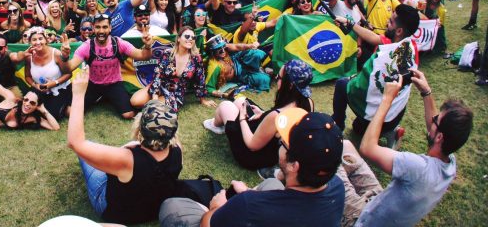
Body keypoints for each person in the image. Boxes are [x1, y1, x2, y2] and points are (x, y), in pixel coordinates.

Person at [161, 109, 344, 227]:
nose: (280, 143)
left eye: (284, 143)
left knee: (172, 207)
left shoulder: (248, 205)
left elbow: (207, 224)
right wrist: (249, 192)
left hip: (237, 214)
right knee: (271, 183)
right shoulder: (337, 187)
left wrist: (218, 207)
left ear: (294, 166)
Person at [338, 69, 472, 227]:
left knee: (327, 158)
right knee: (345, 145)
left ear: (439, 137)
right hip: (377, 203)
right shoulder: (450, 165)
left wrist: (387, 99)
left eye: (436, 119)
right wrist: (426, 92)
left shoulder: (417, 167)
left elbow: (367, 148)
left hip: (362, 221)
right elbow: (434, 127)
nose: (433, 118)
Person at [68, 68, 182, 225]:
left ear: (140, 127)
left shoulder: (126, 159)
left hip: (118, 213)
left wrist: (79, 94)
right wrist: (134, 146)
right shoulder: (177, 150)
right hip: (153, 209)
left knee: (86, 151)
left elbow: (75, 142)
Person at [203, 60, 314, 172]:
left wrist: (242, 118)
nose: (276, 79)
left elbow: (252, 145)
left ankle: (216, 125)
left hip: (253, 156)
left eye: (279, 78)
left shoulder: (276, 116)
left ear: (289, 85)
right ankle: (221, 123)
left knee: (226, 106)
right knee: (241, 100)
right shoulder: (308, 102)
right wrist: (263, 113)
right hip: (272, 147)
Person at [333, 4, 421, 138]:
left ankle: (337, 126)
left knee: (341, 85)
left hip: (380, 119)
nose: (387, 22)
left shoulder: (381, 59)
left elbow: (358, 87)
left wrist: (351, 79)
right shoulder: (411, 46)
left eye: (390, 22)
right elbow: (375, 38)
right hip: (395, 114)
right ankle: (392, 131)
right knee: (358, 125)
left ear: (399, 31)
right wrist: (350, 23)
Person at [59, 14, 153, 119]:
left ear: (110, 28)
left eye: (104, 27)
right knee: (70, 112)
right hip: (93, 84)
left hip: (114, 84)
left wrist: (148, 46)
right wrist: (64, 57)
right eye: (98, 27)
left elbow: (144, 56)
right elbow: (68, 68)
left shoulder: (118, 43)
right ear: (93, 28)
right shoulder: (86, 46)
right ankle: (102, 97)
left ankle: (107, 97)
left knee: (128, 115)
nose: (101, 31)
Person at [130, 26, 215, 112]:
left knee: (154, 109)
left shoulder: (196, 58)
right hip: (159, 86)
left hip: (175, 93)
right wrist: (155, 97)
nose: (190, 39)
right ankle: (153, 102)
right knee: (135, 102)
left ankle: (151, 106)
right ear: (178, 39)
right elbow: (158, 75)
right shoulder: (167, 53)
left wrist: (203, 100)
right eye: (187, 36)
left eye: (193, 37)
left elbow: (200, 80)